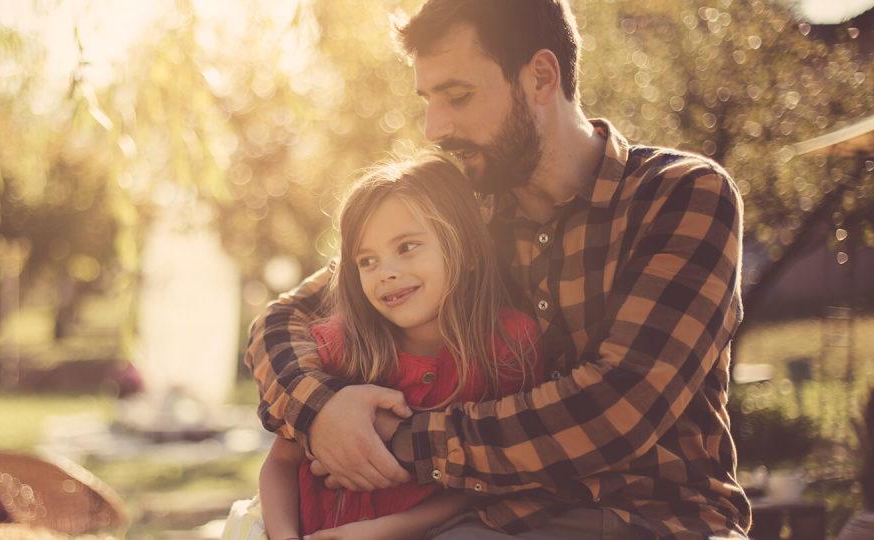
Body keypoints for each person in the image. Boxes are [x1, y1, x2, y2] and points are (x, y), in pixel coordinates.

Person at [246, 0, 750, 537]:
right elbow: (282, 322)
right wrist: (321, 412)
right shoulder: (463, 216)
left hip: (656, 518)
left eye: (457, 96)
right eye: (428, 99)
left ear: (540, 76)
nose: (434, 127)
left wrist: (387, 438)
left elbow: (613, 411)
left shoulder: (680, 196)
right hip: (495, 518)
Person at [253, 156, 546, 540]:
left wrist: (385, 531)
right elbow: (281, 462)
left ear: (470, 250)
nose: (386, 272)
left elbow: (491, 476)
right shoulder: (338, 347)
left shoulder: (506, 346)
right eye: (368, 260)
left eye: (407, 247)